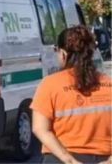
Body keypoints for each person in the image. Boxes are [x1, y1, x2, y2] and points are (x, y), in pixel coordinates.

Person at [31, 25, 111, 164]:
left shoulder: (49, 85)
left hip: (60, 158)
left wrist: (69, 160)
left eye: (56, 51)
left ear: (63, 53)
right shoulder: (108, 83)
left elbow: (39, 128)